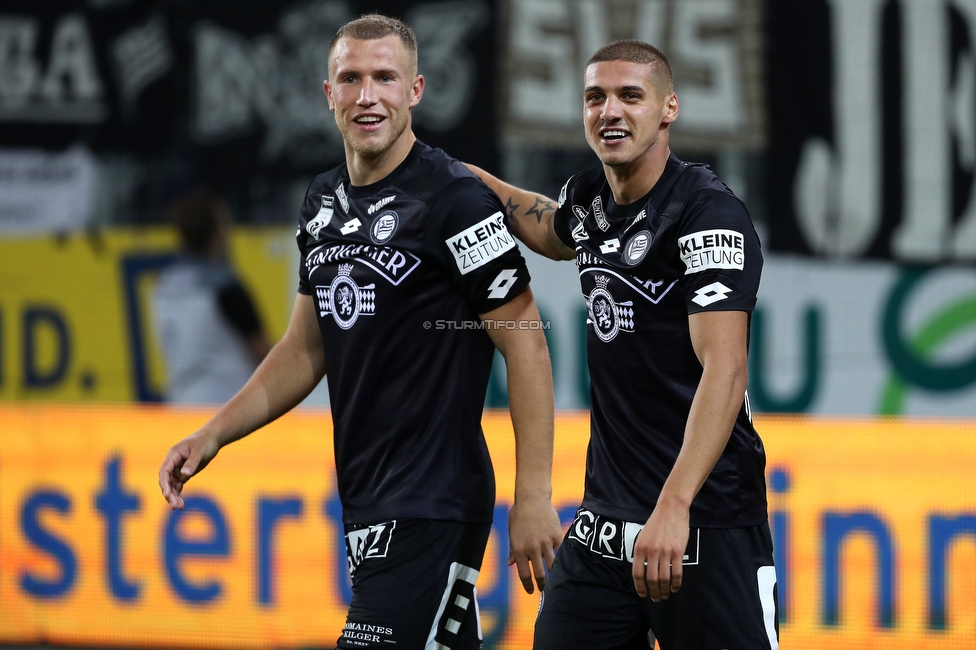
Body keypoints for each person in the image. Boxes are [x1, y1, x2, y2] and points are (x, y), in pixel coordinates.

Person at [158, 14, 562, 650]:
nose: (367, 95)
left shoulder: (453, 199)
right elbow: (304, 347)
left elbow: (527, 342)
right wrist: (214, 434)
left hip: (434, 499)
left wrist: (533, 495)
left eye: (385, 78)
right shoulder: (321, 203)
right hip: (368, 498)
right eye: (351, 78)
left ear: (416, 91)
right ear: (328, 92)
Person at [467, 40, 779, 649]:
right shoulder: (589, 200)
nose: (610, 111)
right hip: (603, 529)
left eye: (630, 96)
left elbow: (727, 371)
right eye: (595, 98)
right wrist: (459, 175)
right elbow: (548, 228)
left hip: (701, 522)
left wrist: (675, 505)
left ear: (669, 109)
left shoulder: (706, 213)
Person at [153, 189, 272, 404]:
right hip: (226, 407)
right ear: (217, 233)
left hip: (179, 406)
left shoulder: (164, 287)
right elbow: (264, 354)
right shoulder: (225, 287)